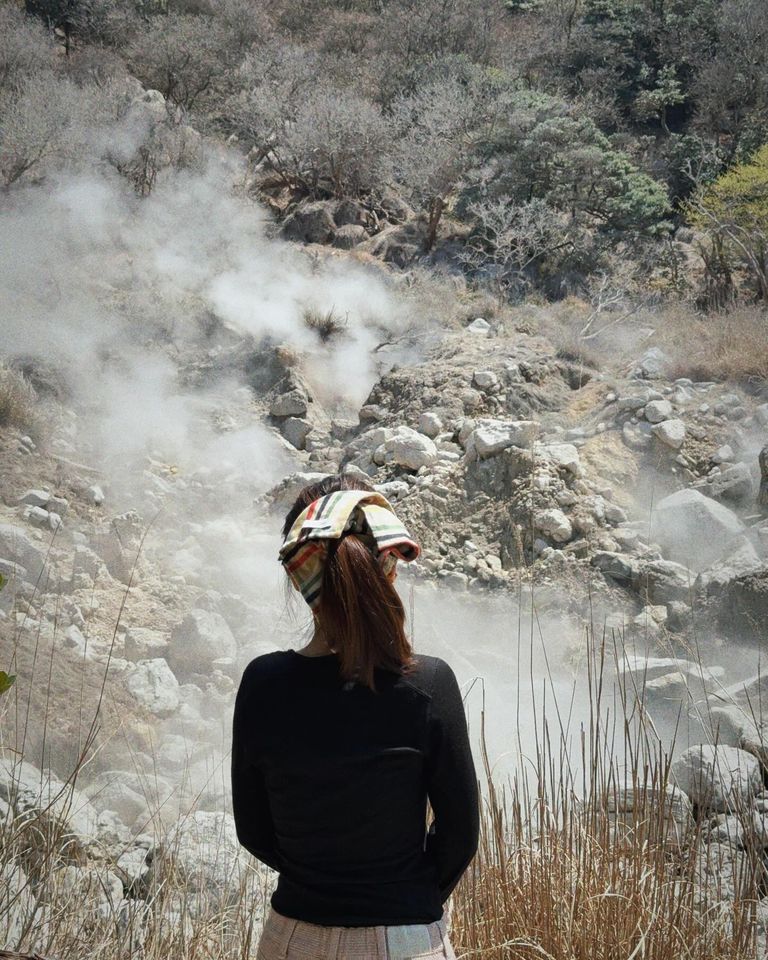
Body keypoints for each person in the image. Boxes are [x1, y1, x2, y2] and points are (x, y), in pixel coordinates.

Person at [231, 473, 479, 959]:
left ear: (299, 576)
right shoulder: (428, 684)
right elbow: (461, 836)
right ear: (387, 565)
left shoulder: (263, 684)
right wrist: (405, 897)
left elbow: (253, 832)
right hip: (405, 942)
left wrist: (319, 882)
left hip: (292, 940)